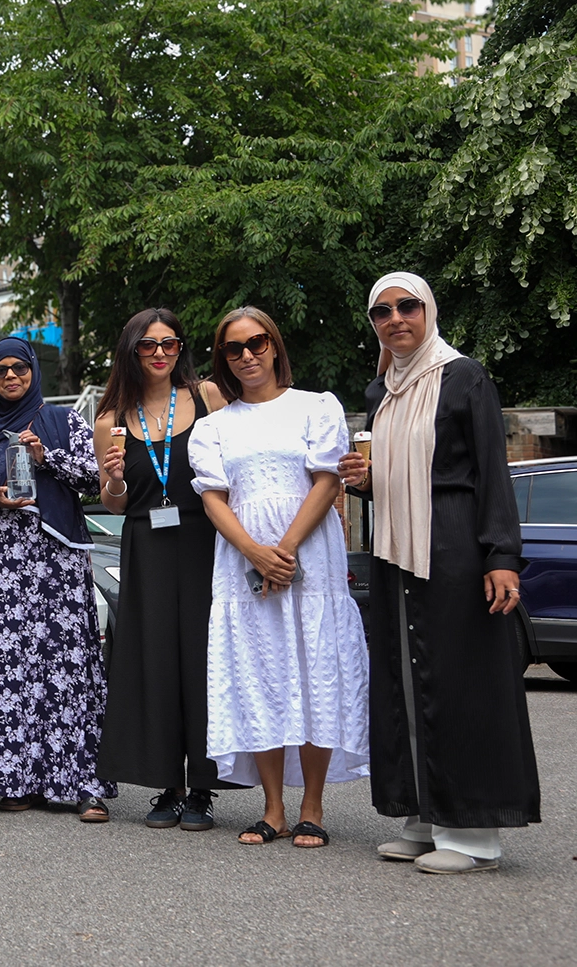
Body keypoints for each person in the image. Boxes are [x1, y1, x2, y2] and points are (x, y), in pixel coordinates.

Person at [338, 273, 538, 874]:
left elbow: (491, 471)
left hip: (454, 545)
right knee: (404, 678)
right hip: (398, 551)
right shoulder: (384, 392)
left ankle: (475, 833)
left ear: (429, 311)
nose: (395, 318)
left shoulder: (463, 376)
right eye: (382, 311)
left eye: (407, 307)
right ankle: (423, 816)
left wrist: (502, 556)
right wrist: (367, 483)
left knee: (461, 681)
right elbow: (400, 475)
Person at [188, 306, 369, 848]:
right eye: (233, 348)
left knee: (314, 674)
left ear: (275, 346)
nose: (247, 355)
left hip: (310, 558)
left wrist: (284, 550)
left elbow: (328, 481)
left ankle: (312, 806)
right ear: (222, 359)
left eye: (257, 343)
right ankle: (272, 808)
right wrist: (254, 554)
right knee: (260, 675)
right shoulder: (213, 426)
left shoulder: (317, 407)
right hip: (244, 565)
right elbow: (213, 500)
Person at [0, 338, 115, 818]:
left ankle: (74, 782)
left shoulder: (61, 421)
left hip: (55, 565)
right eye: (1, 370)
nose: (11, 377)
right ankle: (7, 780)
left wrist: (45, 458)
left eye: (20, 368)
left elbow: (94, 479)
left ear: (33, 372)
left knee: (63, 670)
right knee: (4, 673)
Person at [93, 309, 230, 832]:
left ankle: (203, 789)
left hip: (203, 540)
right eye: (147, 347)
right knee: (154, 663)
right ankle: (167, 786)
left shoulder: (208, 397)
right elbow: (114, 505)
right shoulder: (111, 417)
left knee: (202, 661)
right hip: (146, 544)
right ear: (131, 352)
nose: (159, 355)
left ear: (180, 349)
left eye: (169, 345)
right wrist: (113, 480)